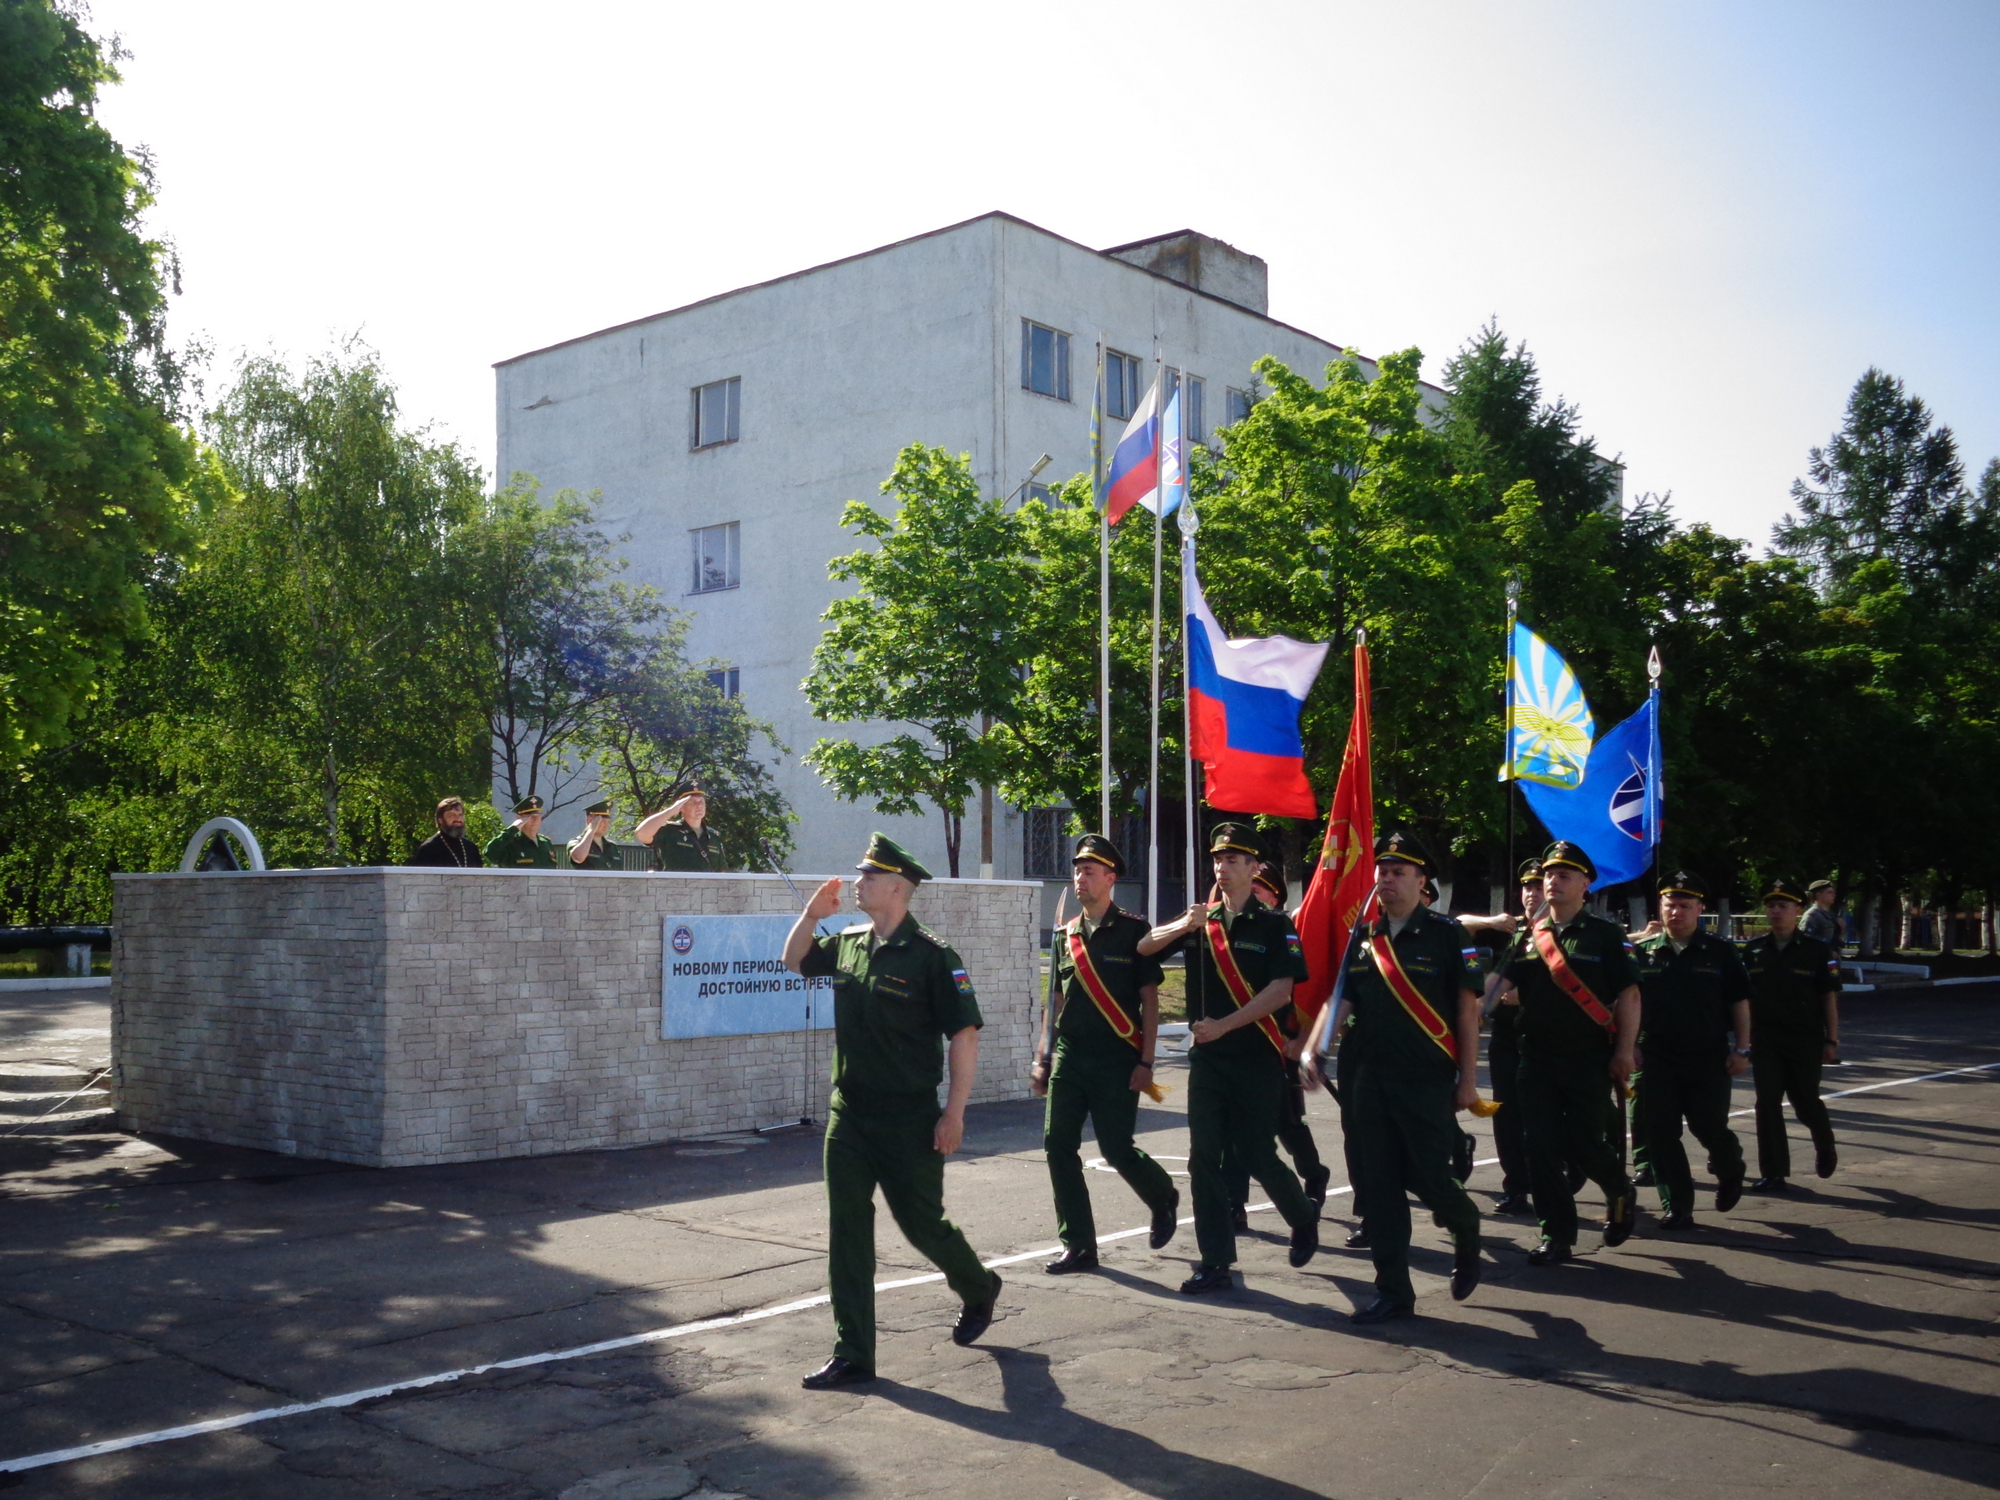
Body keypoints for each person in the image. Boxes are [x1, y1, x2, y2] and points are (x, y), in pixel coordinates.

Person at [781, 833, 999, 1390]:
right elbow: (794, 959)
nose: (858, 883)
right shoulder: (850, 942)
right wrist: (811, 914)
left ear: (897, 887)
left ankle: (978, 1285)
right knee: (847, 1230)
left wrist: (954, 1113)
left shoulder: (933, 956)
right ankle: (853, 1350)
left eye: (868, 877)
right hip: (849, 1114)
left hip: (908, 1118)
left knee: (921, 1223)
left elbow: (964, 1036)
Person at [1304, 831, 1483, 1324]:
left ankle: (1466, 1229)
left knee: (1428, 1178)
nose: (1386, 879)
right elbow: (1343, 998)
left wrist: (1467, 1081)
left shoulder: (1448, 935)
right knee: (1378, 1186)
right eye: (1382, 871)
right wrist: (1315, 1048)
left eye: (1398, 871)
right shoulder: (1366, 937)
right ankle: (1392, 1291)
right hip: (1370, 1081)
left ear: (1422, 880)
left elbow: (1468, 1013)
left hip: (1424, 1080)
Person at [1139, 823, 1319, 1295]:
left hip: (1256, 1057)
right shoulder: (1203, 920)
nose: (1223, 867)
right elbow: (1144, 948)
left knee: (1257, 1153)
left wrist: (1225, 1024)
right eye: (1218, 859)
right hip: (1210, 1064)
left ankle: (1302, 1216)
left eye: (1234, 860)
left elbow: (1282, 991)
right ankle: (1215, 1261)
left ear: (1255, 867)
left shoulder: (1276, 924)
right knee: (1204, 1161)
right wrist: (1185, 923)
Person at [1032, 834, 1180, 1273]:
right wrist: (1044, 1055)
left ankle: (1162, 1195)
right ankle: (1078, 1244)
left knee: (1116, 1148)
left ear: (1110, 878)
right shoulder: (1065, 935)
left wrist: (1146, 1063)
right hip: (1072, 1057)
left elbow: (1150, 1000)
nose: (1080, 878)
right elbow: (1055, 1001)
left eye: (1090, 871)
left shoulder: (1134, 931)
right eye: (1077, 870)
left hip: (1117, 1058)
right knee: (1057, 1145)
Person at [1491, 841, 1640, 1266]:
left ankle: (1618, 1188)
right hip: (1534, 1057)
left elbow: (1629, 995)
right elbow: (1493, 990)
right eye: (1548, 876)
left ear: (1585, 885)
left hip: (1587, 1057)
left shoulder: (1605, 936)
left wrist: (1625, 1052)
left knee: (1584, 1143)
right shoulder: (1527, 937)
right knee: (1537, 1145)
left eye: (1564, 875)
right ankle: (1556, 1234)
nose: (1552, 882)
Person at [1630, 871, 1751, 1229]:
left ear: (1700, 909)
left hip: (1707, 1057)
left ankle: (1731, 1168)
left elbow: (1740, 1004)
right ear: (1660, 907)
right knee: (1660, 1133)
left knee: (1709, 1127)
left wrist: (1743, 1049)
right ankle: (1677, 1205)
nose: (1677, 912)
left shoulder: (1720, 952)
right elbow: (1630, 1004)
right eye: (1671, 904)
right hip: (1656, 1057)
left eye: (1685, 905)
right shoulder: (1644, 953)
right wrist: (1628, 1047)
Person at [1220, 861, 1330, 1231]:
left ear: (1274, 895)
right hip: (1239, 1045)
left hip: (1279, 1043)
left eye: (1259, 889)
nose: (1251, 893)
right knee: (1236, 1128)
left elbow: (1311, 994)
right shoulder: (1227, 927)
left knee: (1287, 1123)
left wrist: (1302, 1041)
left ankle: (1314, 1174)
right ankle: (1235, 1203)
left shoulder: (1282, 931)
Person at [1744, 876, 1842, 1193]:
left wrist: (1832, 1040)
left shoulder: (1815, 950)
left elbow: (1829, 997)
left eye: (1782, 906)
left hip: (1805, 1040)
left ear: (1797, 910)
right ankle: (1774, 1172)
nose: (1775, 911)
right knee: (1767, 1104)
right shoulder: (1754, 950)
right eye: (1771, 906)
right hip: (1766, 1041)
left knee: (1804, 1102)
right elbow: (1741, 999)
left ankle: (1824, 1143)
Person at [1478, 859, 1542, 1215]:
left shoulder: (1559, 933)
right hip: (1506, 1038)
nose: (1532, 894)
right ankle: (1516, 1185)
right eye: (1527, 887)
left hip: (1547, 1040)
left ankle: (1567, 1171)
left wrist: (1528, 993)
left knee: (1546, 1117)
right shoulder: (1510, 933)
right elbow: (1457, 925)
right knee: (1507, 1115)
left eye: (1538, 886)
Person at [637, 787, 722, 872]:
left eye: (701, 802)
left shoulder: (714, 836)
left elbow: (721, 871)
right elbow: (641, 833)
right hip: (676, 884)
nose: (699, 806)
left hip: (706, 885)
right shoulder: (670, 831)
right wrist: (671, 811)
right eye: (693, 802)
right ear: (681, 808)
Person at [484, 795, 558, 869]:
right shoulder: (509, 843)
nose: (535, 820)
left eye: (537, 816)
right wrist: (513, 828)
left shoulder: (546, 843)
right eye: (530, 817)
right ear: (519, 818)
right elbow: (490, 853)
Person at [409, 797, 483, 868]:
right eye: (452, 815)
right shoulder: (428, 849)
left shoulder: (471, 848)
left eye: (460, 815)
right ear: (440, 820)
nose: (458, 819)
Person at [568, 800, 616, 870]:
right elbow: (578, 857)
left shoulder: (612, 846)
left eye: (607, 821)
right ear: (590, 820)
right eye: (602, 821)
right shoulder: (577, 842)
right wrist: (591, 830)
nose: (606, 825)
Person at [1803, 879, 1844, 954]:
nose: (1833, 895)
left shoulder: (1830, 915)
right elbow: (1805, 943)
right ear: (1818, 894)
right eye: (1830, 892)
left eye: (1834, 892)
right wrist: (1827, 953)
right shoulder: (1812, 915)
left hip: (1830, 961)